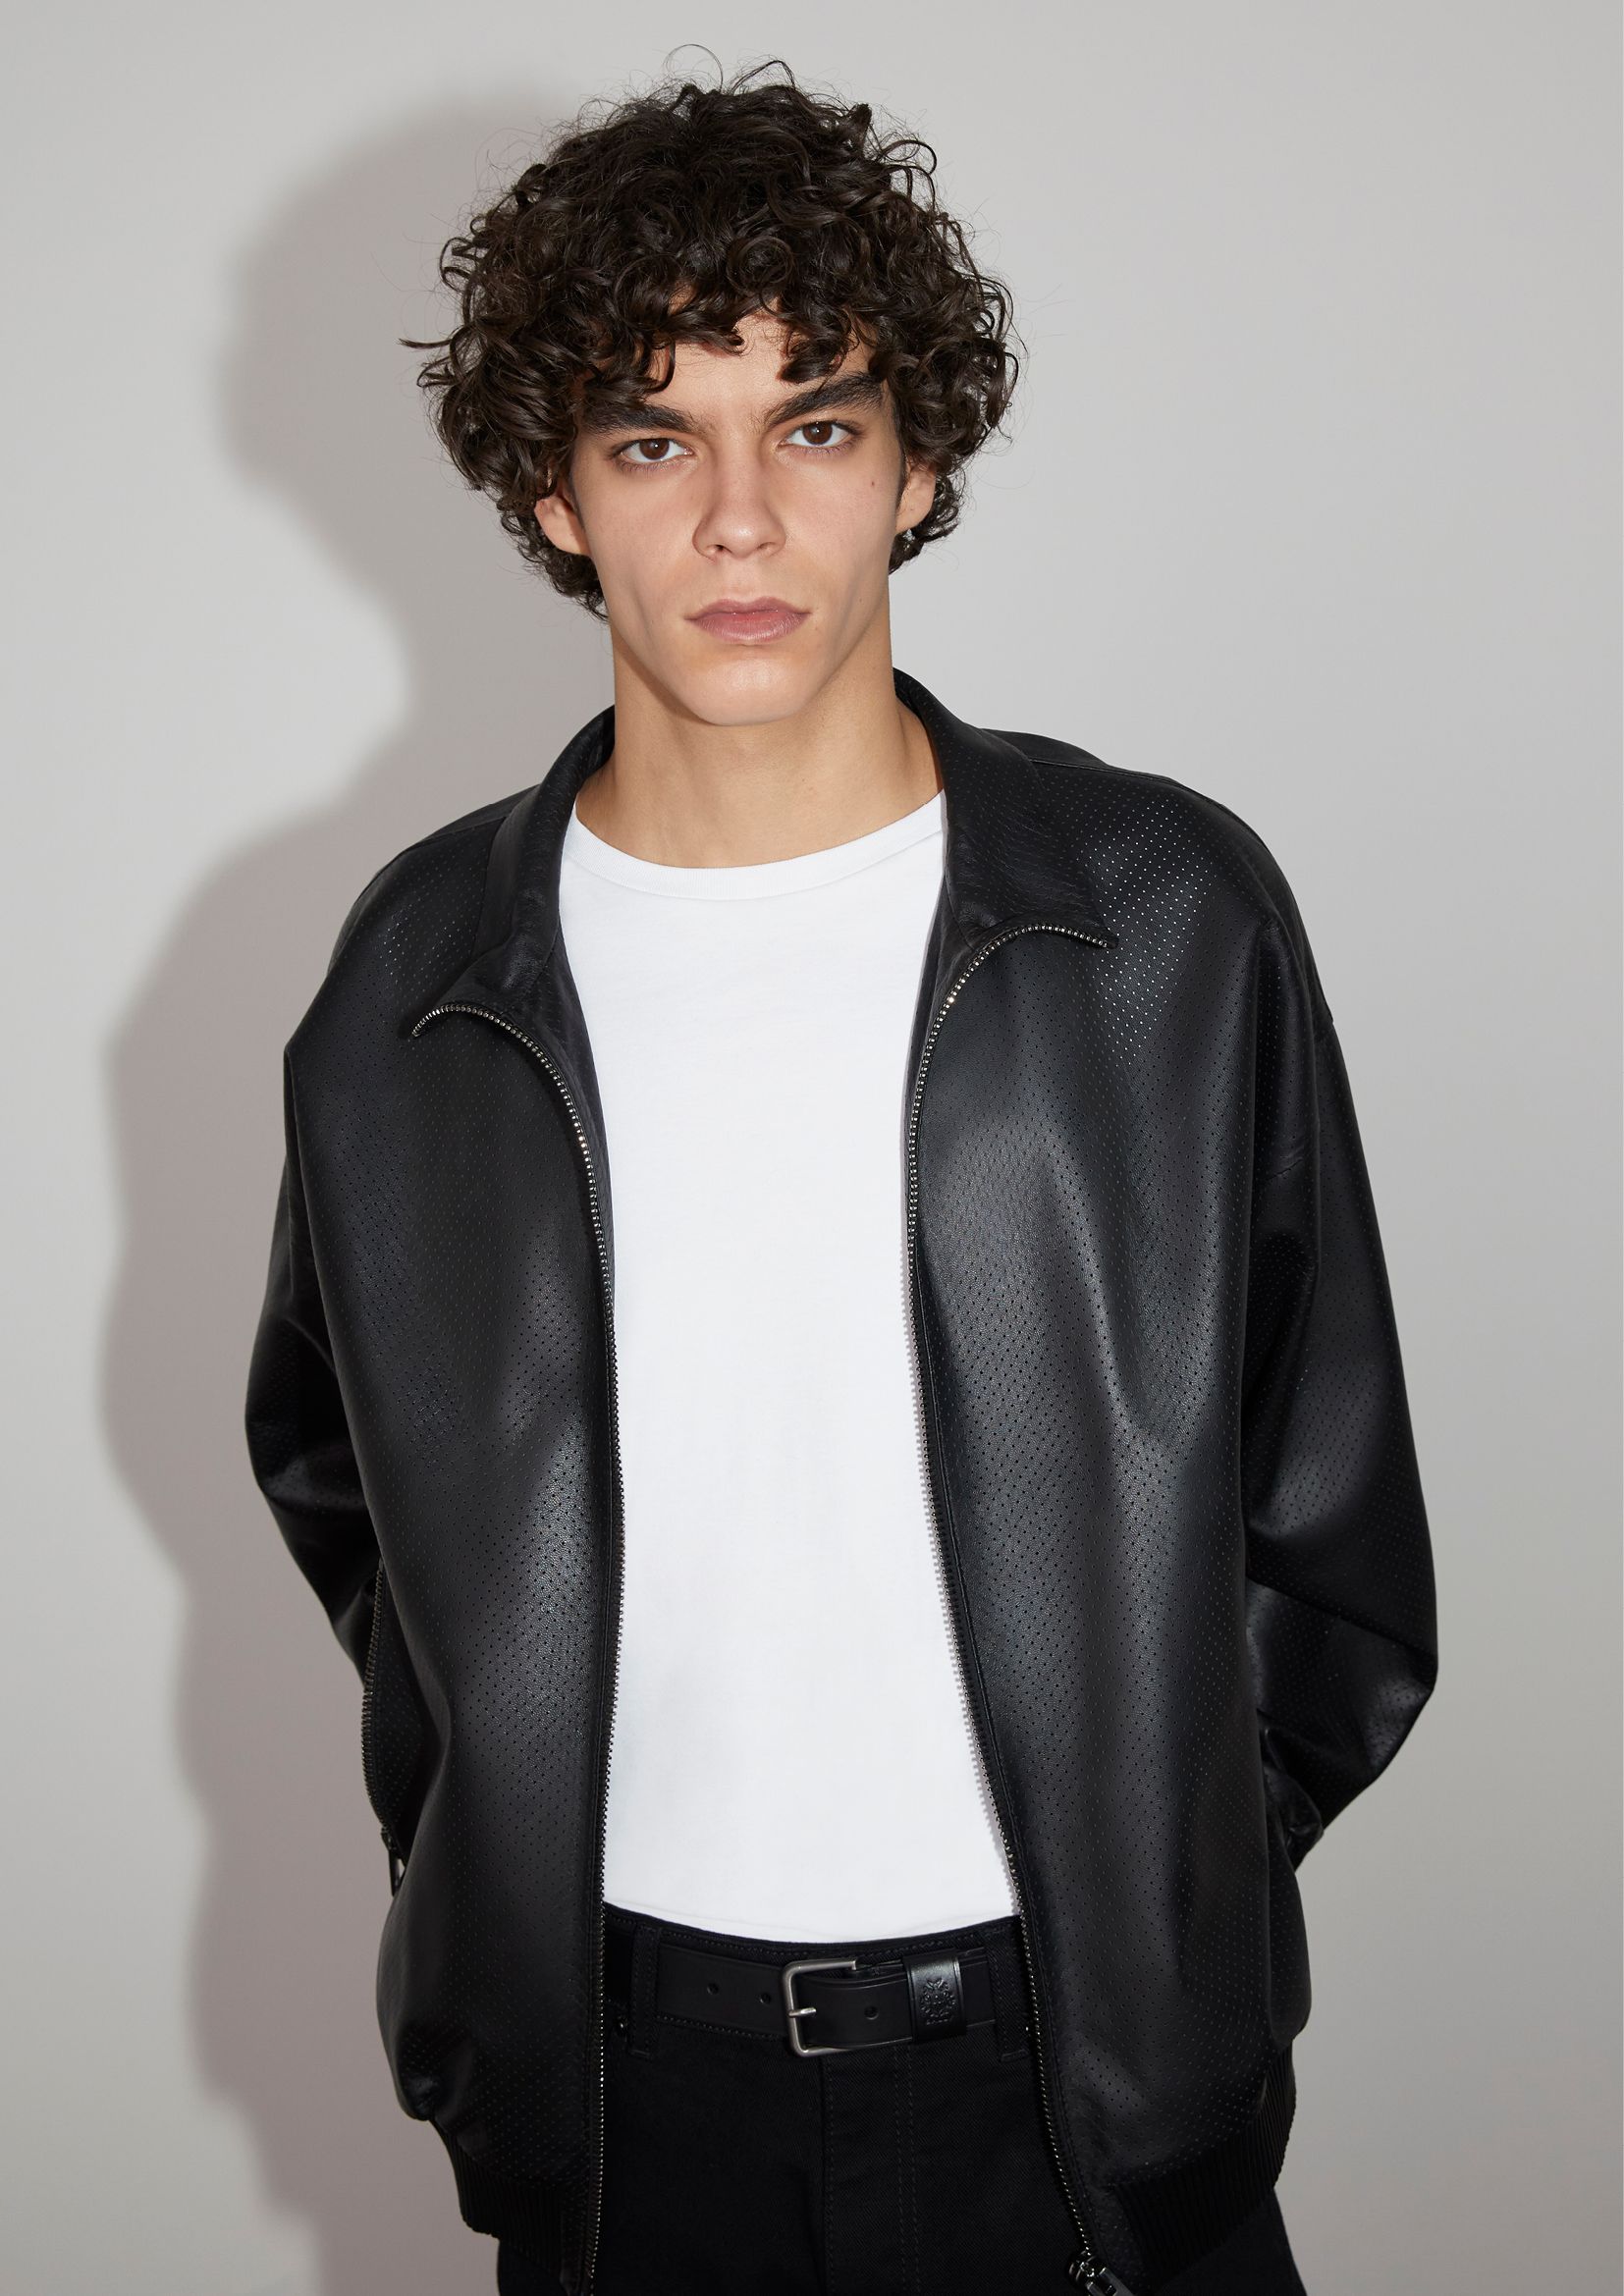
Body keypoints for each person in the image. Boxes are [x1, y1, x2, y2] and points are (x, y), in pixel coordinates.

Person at [244, 59, 1437, 2296]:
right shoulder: (419, 980)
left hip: (1084, 2102)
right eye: (649, 439)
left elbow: (1332, 1517)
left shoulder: (1160, 924)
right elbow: (341, 1484)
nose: (735, 521)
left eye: (810, 424)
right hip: (633, 2123)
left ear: (913, 466)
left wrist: (1162, 1883)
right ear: (550, 490)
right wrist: (494, 1850)